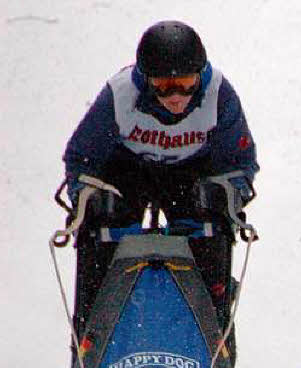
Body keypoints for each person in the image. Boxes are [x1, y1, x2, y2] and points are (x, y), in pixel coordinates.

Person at [63, 20, 258, 341]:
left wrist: (229, 193)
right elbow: (81, 157)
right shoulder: (120, 94)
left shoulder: (218, 95)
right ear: (146, 79)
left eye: (185, 82)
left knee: (209, 226)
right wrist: (85, 195)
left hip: (191, 173)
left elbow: (240, 161)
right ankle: (90, 344)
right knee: (103, 227)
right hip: (127, 171)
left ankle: (213, 341)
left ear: (200, 76)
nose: (176, 96)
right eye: (164, 85)